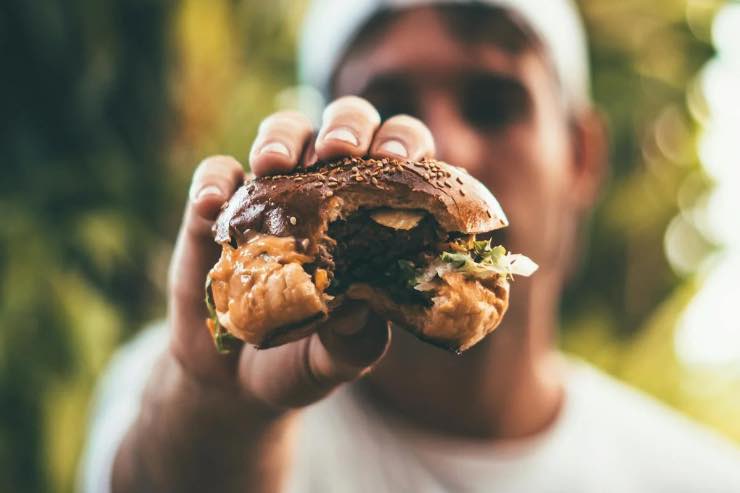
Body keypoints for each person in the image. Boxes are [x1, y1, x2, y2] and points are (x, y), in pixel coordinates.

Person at [79, 1, 740, 492]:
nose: (443, 144)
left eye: (492, 104)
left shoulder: (698, 477)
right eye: (387, 99)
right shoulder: (172, 395)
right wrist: (218, 413)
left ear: (580, 157)